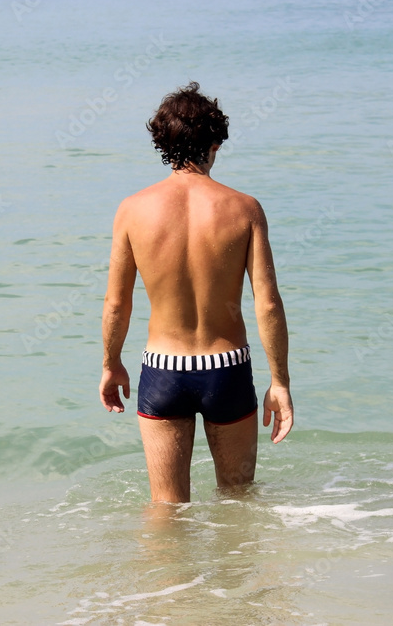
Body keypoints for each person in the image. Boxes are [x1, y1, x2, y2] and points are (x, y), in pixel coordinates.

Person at [98, 81, 293, 503]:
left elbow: (117, 302)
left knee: (167, 512)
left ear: (161, 142)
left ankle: (171, 573)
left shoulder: (132, 210)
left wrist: (111, 363)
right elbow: (268, 302)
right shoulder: (244, 208)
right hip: (227, 368)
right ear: (215, 142)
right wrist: (280, 382)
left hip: (163, 370)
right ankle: (237, 572)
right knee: (240, 502)